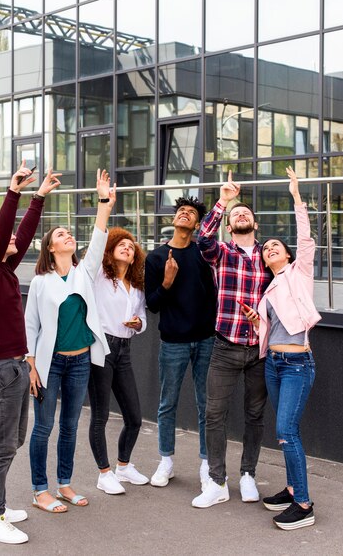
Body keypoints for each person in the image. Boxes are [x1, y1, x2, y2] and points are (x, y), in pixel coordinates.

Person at [0, 163, 61, 544]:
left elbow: (18, 236)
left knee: (12, 441)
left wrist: (37, 198)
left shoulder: (5, 270)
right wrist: (13, 192)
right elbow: (8, 232)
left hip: (15, 367)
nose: (13, 244)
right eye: (1, 239)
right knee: (2, 446)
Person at [25, 169, 115, 513]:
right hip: (49, 364)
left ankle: (63, 484)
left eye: (68, 234)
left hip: (79, 362)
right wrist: (31, 364)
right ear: (50, 246)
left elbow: (98, 237)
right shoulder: (41, 282)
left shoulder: (84, 272)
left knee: (69, 427)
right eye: (61, 234)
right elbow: (30, 325)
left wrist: (103, 200)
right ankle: (39, 489)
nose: (68, 237)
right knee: (43, 427)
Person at [192, 171, 272, 509]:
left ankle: (248, 475)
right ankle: (217, 481)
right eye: (235, 214)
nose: (241, 215)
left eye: (246, 214)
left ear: (255, 226)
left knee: (254, 415)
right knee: (214, 414)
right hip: (224, 346)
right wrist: (223, 200)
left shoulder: (267, 258)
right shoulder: (220, 252)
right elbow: (202, 237)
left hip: (258, 349)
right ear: (229, 224)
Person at [247, 167, 320, 530]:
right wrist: (254, 319)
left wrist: (296, 197)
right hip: (273, 364)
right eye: (265, 248)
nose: (269, 248)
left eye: (276, 245)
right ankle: (293, 489)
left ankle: (304, 505)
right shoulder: (269, 290)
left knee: (286, 430)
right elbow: (270, 328)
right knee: (285, 431)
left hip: (296, 365)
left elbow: (306, 239)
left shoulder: (299, 273)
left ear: (288, 255)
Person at [145, 197, 216, 490]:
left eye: (191, 213)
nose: (185, 214)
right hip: (173, 340)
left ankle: (206, 463)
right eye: (181, 211)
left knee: (206, 405)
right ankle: (166, 461)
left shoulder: (204, 254)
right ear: (174, 219)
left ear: (198, 224)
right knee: (167, 403)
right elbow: (152, 305)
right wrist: (167, 283)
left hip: (206, 339)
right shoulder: (156, 258)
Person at [88, 227, 148, 494]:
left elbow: (143, 317)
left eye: (131, 246)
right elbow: (96, 243)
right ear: (110, 250)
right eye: (121, 244)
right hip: (102, 348)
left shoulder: (136, 285)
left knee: (134, 417)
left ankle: (123, 467)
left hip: (125, 349)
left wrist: (138, 324)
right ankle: (104, 473)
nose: (127, 247)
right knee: (99, 416)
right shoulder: (100, 276)